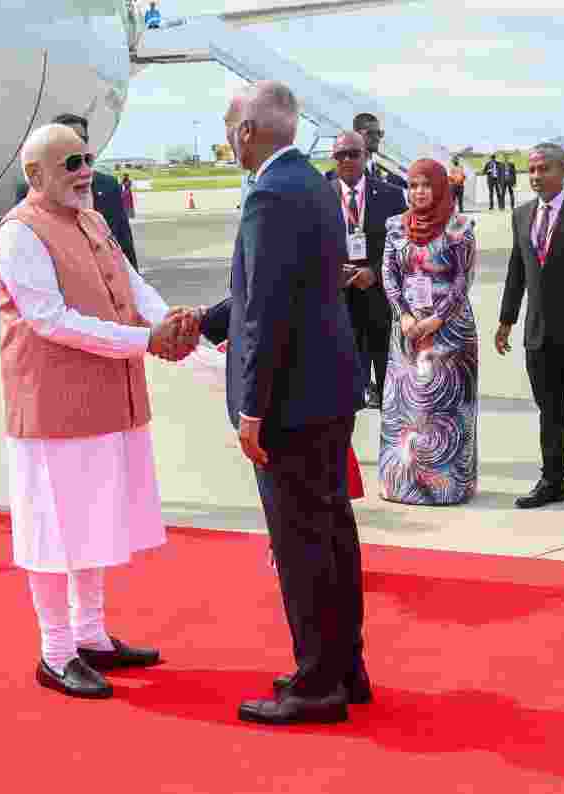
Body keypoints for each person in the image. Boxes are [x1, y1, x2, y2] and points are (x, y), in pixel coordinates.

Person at [0, 124, 197, 699]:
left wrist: (169, 324)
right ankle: (56, 653)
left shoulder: (92, 218)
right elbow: (51, 319)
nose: (85, 172)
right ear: (35, 176)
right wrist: (145, 341)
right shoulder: (19, 235)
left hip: (106, 398)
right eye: (71, 164)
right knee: (54, 530)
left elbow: (130, 285)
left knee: (93, 521)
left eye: (88, 161)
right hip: (53, 409)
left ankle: (90, 635)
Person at [200, 81, 366, 725]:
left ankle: (315, 684)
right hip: (327, 391)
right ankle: (344, 667)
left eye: (227, 123)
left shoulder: (269, 192)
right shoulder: (313, 184)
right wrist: (209, 320)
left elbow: (267, 313)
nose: (224, 135)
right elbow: (277, 288)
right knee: (332, 534)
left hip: (290, 402)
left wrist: (252, 408)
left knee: (301, 546)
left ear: (248, 130)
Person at [497, 143, 564, 514]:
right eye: (532, 170)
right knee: (550, 411)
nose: (536, 177)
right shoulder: (522, 213)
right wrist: (507, 320)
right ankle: (552, 480)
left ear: (563, 171)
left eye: (544, 169)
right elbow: (517, 269)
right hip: (538, 335)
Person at [379, 158, 479, 505]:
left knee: (446, 411)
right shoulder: (394, 226)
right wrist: (404, 315)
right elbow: (390, 274)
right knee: (404, 408)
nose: (419, 192)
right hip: (406, 331)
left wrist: (436, 320)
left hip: (449, 333)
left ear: (439, 188)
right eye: (413, 185)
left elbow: (463, 279)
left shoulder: (459, 227)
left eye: (426, 185)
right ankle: (402, 483)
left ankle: (448, 486)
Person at [329, 130, 408, 410]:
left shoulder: (392, 195)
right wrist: (333, 270)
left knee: (392, 387)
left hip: (382, 302)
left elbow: (402, 247)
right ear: (333, 158)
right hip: (339, 304)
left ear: (366, 156)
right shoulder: (319, 195)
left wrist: (374, 272)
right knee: (346, 392)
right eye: (341, 155)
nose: (347, 160)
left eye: (354, 153)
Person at [16, 114, 139, 270]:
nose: (76, 143)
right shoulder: (28, 194)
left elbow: (124, 241)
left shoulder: (108, 186)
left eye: (81, 138)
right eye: (67, 138)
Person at [353, 112, 408, 188]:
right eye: (370, 133)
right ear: (356, 135)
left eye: (379, 133)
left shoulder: (382, 173)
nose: (377, 138)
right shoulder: (347, 169)